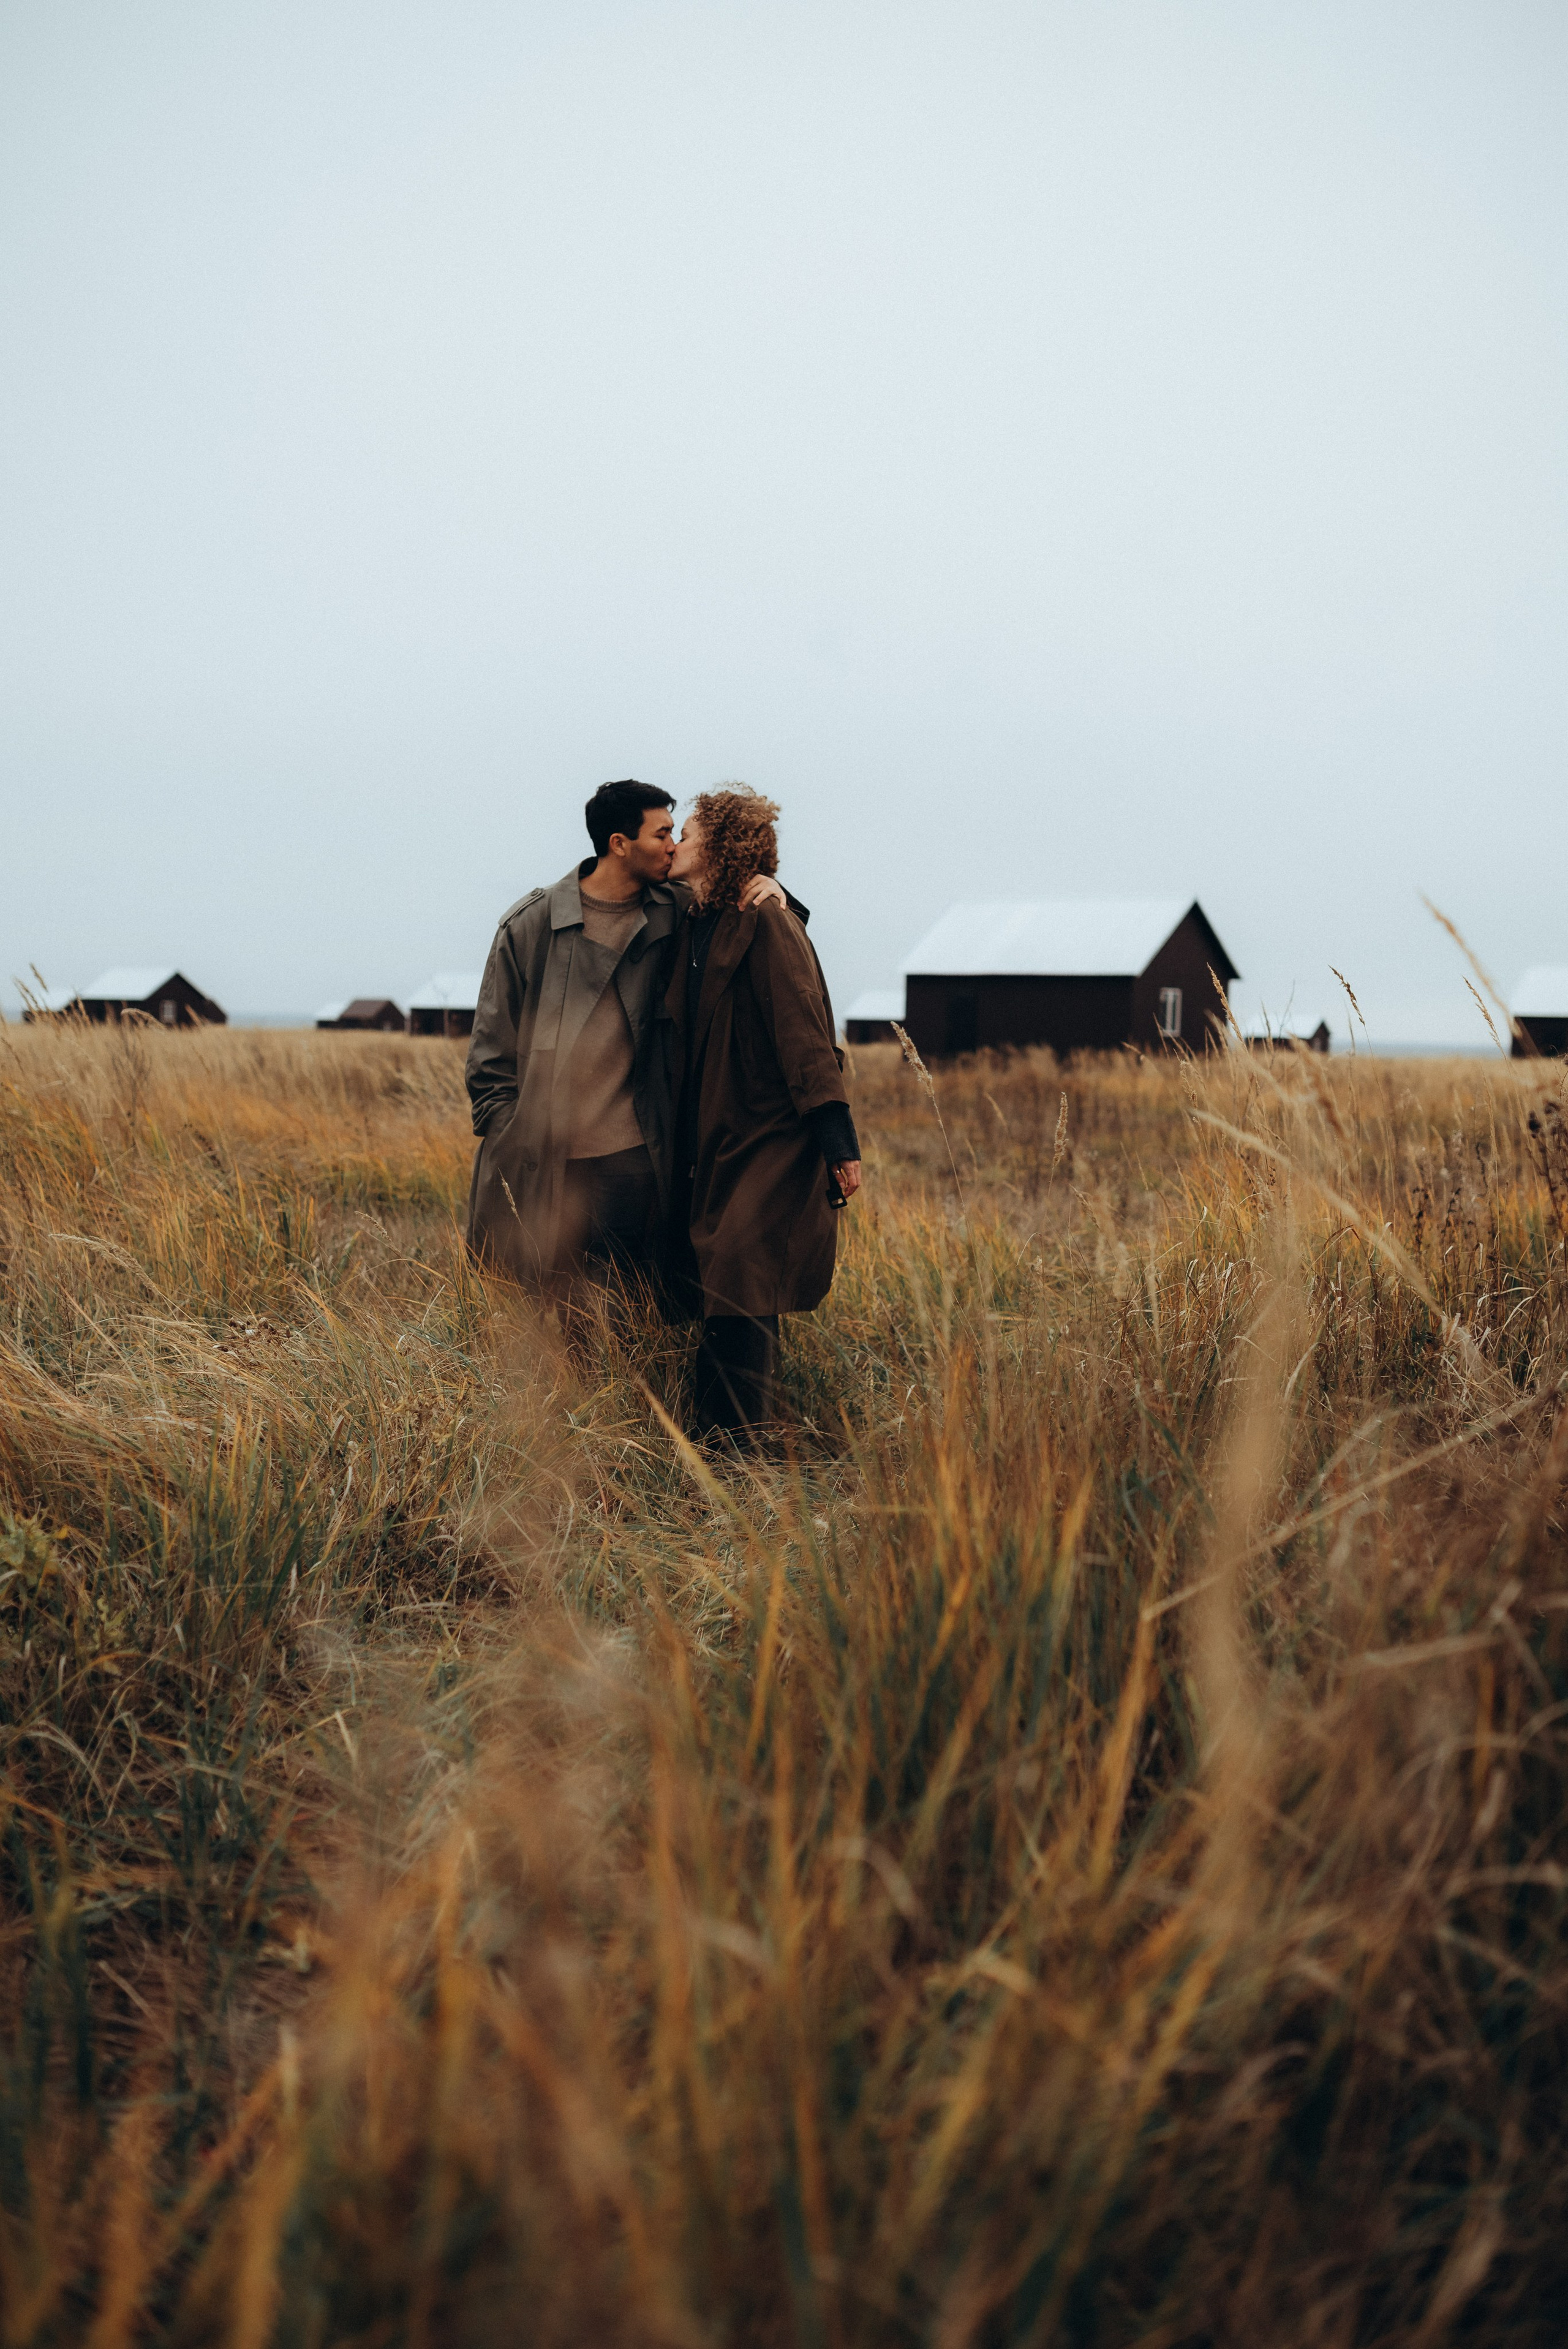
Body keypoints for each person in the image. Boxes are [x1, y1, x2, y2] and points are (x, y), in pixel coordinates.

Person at [464, 779, 790, 1299]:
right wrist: (515, 1135)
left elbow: (749, 924)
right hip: (548, 1165)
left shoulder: (679, 910)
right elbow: (489, 1062)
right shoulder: (530, 927)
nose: (674, 846)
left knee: (627, 1316)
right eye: (662, 834)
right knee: (543, 1318)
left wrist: (776, 891)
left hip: (636, 1164)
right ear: (620, 843)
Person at [666, 786, 862, 1445]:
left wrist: (836, 1140)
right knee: (727, 1282)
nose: (675, 843)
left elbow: (803, 1031)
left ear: (720, 847)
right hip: (714, 1135)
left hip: (766, 1134)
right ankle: (724, 1438)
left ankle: (730, 1445)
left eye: (688, 834)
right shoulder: (697, 917)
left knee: (740, 1277)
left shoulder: (766, 921)